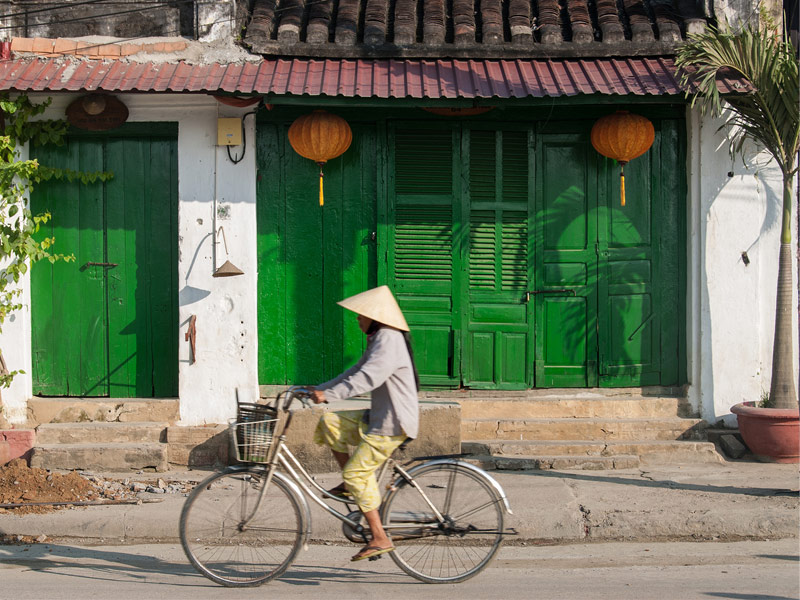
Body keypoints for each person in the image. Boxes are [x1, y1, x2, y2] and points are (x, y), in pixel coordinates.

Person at [310, 285, 419, 562]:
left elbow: (369, 378)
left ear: (375, 316)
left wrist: (329, 394)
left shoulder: (389, 339)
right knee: (330, 421)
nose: (357, 319)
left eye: (361, 315)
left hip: (393, 423)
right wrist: (318, 389)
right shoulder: (380, 338)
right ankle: (352, 486)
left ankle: (380, 537)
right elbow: (356, 370)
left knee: (357, 474)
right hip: (379, 416)